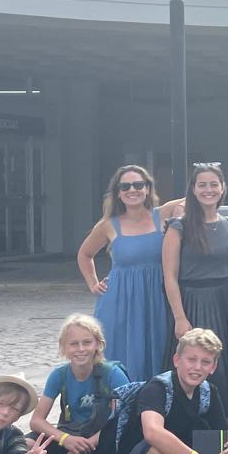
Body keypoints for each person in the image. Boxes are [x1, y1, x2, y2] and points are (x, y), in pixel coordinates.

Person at [161, 164, 228, 419]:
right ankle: (189, 433)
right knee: (194, 368)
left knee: (222, 371)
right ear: (193, 189)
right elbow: (170, 277)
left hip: (224, 304)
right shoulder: (178, 227)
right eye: (202, 185)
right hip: (192, 303)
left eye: (214, 184)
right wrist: (180, 317)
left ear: (222, 188)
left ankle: (224, 433)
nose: (208, 190)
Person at [75, 163, 170, 381]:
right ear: (118, 193)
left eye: (138, 185)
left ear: (148, 188)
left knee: (157, 350)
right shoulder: (109, 225)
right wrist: (93, 283)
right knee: (119, 355)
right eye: (125, 186)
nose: (132, 190)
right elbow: (85, 254)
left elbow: (193, 198)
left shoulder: (162, 216)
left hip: (156, 298)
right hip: (120, 301)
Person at [30, 314, 129, 454]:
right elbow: (36, 421)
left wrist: (74, 453)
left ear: (98, 344)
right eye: (74, 344)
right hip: (74, 436)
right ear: (64, 347)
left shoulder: (113, 374)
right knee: (28, 444)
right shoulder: (59, 375)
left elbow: (123, 419)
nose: (81, 349)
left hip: (104, 438)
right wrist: (65, 439)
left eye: (87, 342)